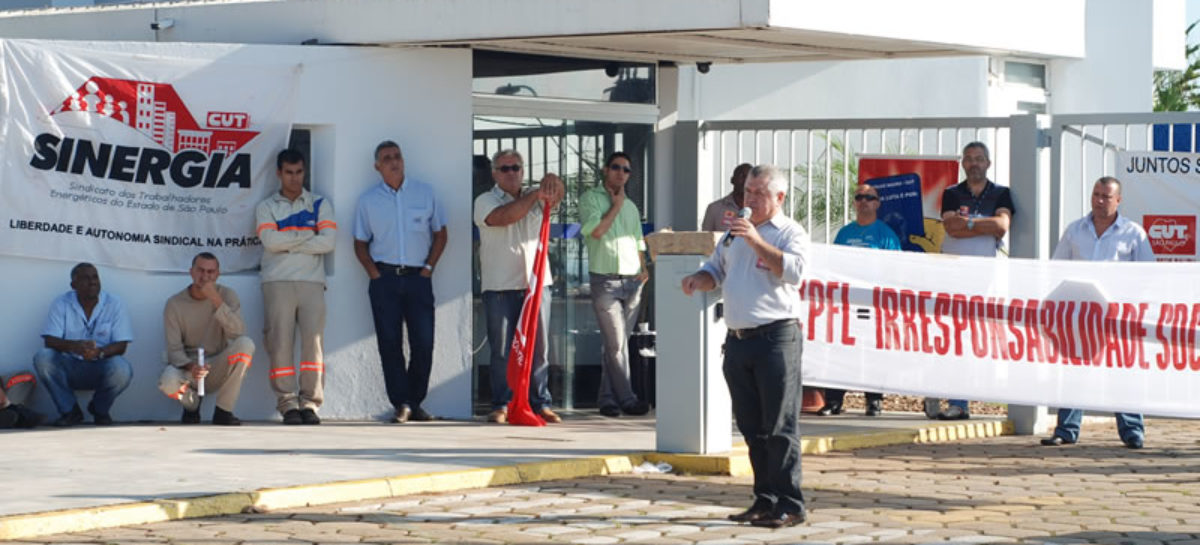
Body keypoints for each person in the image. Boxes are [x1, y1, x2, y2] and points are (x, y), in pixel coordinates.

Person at [681, 164, 809, 529]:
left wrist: (754, 239)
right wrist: (699, 278)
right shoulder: (733, 232)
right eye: (748, 191)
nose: (749, 199)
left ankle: (790, 504)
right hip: (738, 340)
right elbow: (717, 270)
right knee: (753, 428)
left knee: (780, 427)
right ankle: (764, 499)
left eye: (758, 193)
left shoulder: (789, 232)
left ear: (779, 197)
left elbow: (795, 273)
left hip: (776, 339)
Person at [1040, 176, 1152, 450]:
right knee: (1074, 373)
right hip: (1081, 316)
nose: (1099, 201)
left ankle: (1132, 431)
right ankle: (1066, 430)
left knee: (1122, 373)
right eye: (1096, 195)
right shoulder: (1074, 231)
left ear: (1118, 200)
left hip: (1118, 317)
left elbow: (1148, 275)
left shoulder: (1134, 233)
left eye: (1106, 196)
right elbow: (1057, 269)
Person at [354, 140, 447, 424]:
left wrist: (428, 269)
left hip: (419, 279)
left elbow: (441, 234)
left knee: (424, 342)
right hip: (385, 280)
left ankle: (415, 401)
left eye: (397, 156)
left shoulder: (425, 192)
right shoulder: (368, 201)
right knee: (389, 343)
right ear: (377, 166)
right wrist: (374, 273)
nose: (394, 161)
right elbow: (359, 242)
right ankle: (401, 403)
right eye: (387, 158)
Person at [474, 149, 564, 424]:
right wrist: (535, 195)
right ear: (494, 174)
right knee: (502, 350)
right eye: (505, 169)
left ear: (523, 170)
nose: (511, 173)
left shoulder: (536, 197)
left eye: (516, 167)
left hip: (536, 286)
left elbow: (557, 196)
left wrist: (553, 181)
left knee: (538, 349)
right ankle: (503, 403)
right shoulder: (485, 200)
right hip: (501, 287)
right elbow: (504, 217)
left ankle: (540, 403)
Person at [926, 141, 1015, 421]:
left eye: (979, 158)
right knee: (948, 334)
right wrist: (983, 225)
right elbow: (950, 227)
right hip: (952, 275)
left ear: (988, 163)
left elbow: (1002, 225)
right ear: (963, 164)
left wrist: (968, 224)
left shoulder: (1001, 193)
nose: (974, 163)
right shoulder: (952, 193)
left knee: (973, 337)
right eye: (969, 159)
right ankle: (945, 396)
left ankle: (960, 399)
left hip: (985, 278)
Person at [256, 149, 336, 426]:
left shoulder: (319, 203)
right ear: (279, 173)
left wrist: (287, 241)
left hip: (312, 282)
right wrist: (307, 237)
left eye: (299, 172)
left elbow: (328, 242)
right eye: (289, 172)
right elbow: (269, 241)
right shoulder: (266, 206)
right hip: (276, 281)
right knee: (279, 343)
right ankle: (288, 403)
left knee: (314, 344)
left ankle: (310, 403)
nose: (294, 178)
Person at [579, 152, 651, 418]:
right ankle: (628, 399)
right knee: (616, 344)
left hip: (633, 280)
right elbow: (596, 231)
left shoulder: (630, 206)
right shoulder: (590, 199)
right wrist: (616, 206)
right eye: (616, 167)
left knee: (617, 345)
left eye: (626, 169)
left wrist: (644, 268)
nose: (621, 173)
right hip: (605, 281)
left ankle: (607, 399)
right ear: (605, 169)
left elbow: (637, 239)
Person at [821, 183, 900, 417]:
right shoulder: (844, 233)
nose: (864, 201)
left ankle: (874, 400)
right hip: (846, 302)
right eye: (859, 197)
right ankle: (834, 400)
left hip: (873, 303)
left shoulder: (886, 235)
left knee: (872, 351)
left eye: (869, 197)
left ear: (877, 204)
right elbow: (833, 265)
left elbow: (895, 270)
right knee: (839, 350)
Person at [159, 253, 254, 426]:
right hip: (189, 368)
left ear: (217, 274)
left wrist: (216, 300)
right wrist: (192, 367)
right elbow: (174, 350)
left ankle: (223, 411)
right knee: (168, 381)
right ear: (191, 272)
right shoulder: (174, 303)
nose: (205, 276)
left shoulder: (227, 295)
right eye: (200, 270)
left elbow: (238, 332)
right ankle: (192, 406)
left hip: (216, 366)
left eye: (210, 272)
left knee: (246, 344)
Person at [34, 263, 134, 427]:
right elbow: (49, 340)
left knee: (122, 368)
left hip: (101, 364)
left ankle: (100, 410)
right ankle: (70, 411)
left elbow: (121, 345)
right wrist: (75, 347)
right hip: (70, 365)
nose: (92, 282)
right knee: (43, 357)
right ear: (73, 285)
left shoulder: (114, 303)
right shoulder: (61, 303)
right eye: (86, 278)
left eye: (95, 277)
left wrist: (99, 352)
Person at [701, 163, 753, 231]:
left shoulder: (760, 209)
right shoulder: (714, 209)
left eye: (749, 178)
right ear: (732, 180)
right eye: (741, 176)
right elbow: (706, 236)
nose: (745, 181)